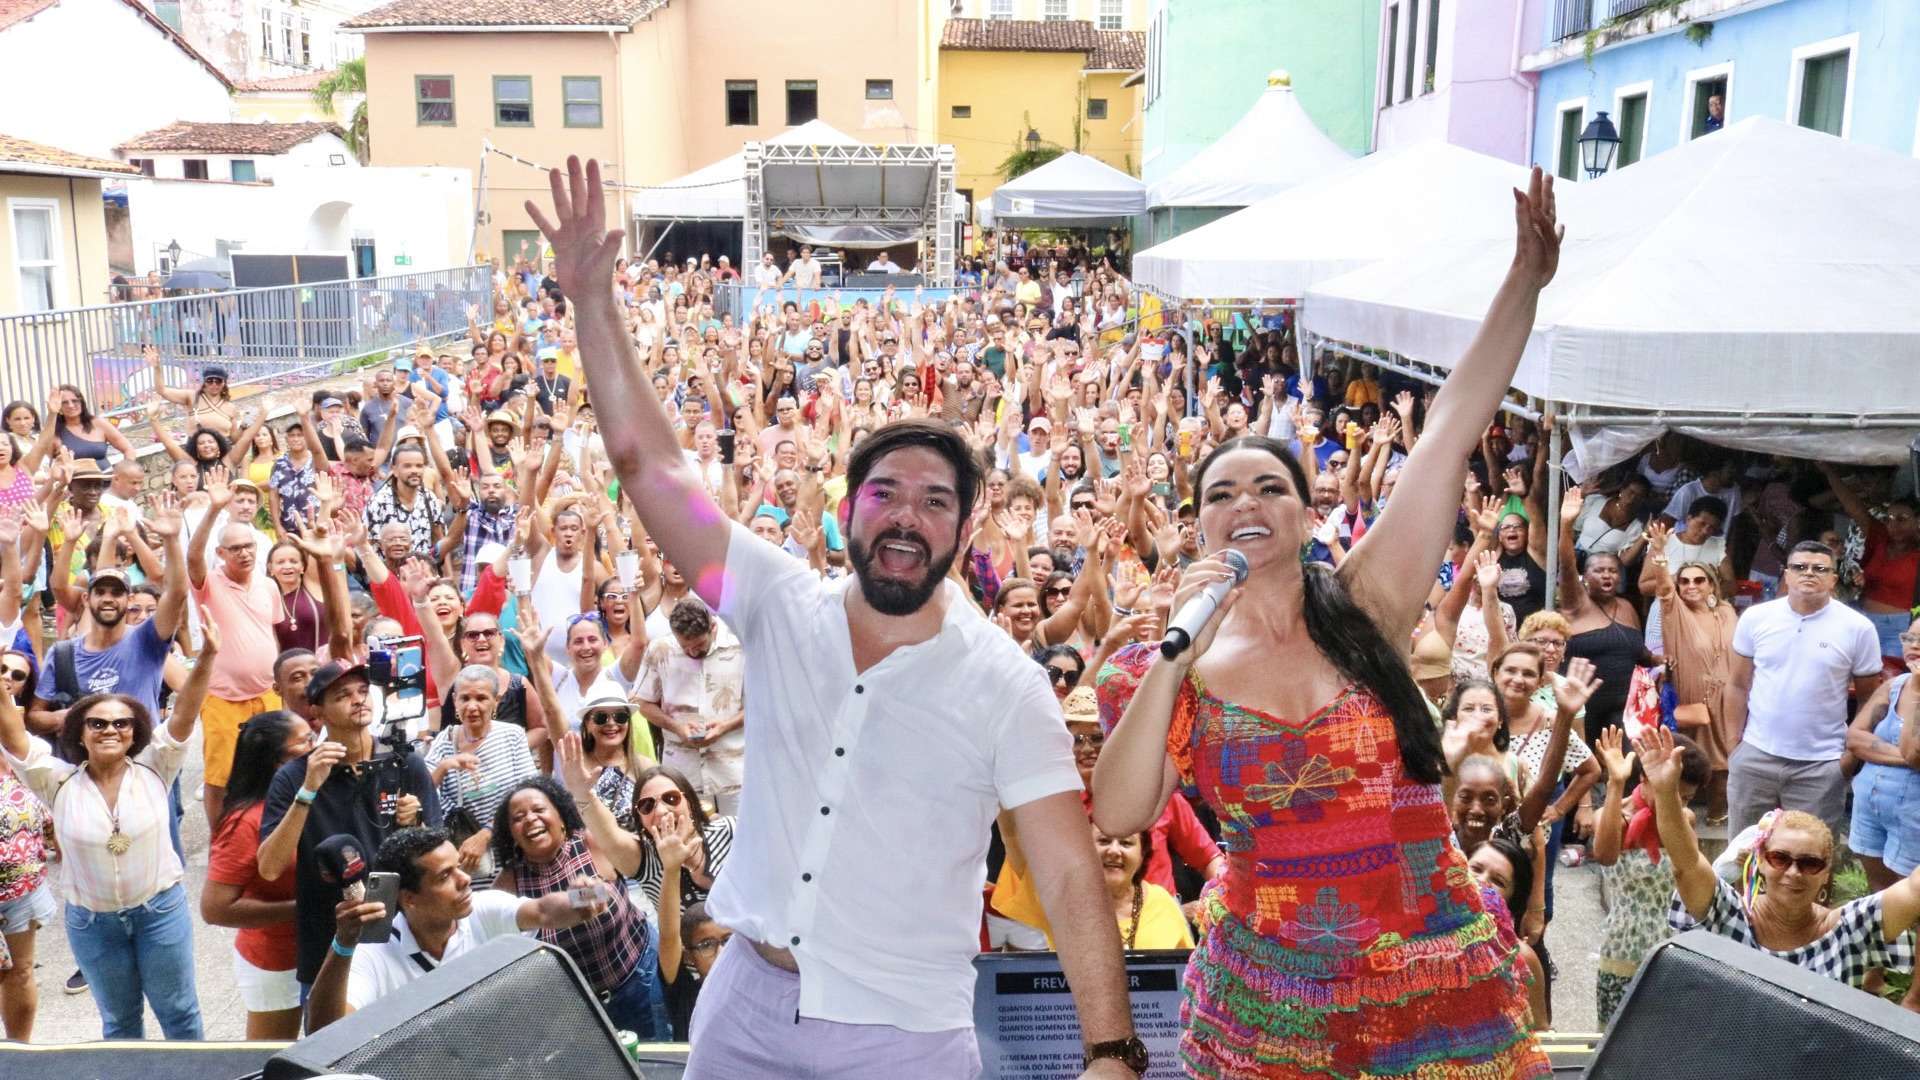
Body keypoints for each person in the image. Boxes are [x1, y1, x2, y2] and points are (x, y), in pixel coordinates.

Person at [531, 158, 1140, 1079]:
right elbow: (650, 468)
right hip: (745, 1011)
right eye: (884, 492)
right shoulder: (778, 602)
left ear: (967, 525)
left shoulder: (1006, 685)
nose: (906, 516)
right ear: (845, 508)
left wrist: (1112, 1052)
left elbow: (1064, 870)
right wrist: (593, 300)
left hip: (903, 1041)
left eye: (936, 501)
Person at [1093, 168, 1565, 1077]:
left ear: (1309, 515)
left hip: (1426, 970)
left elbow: (1451, 427)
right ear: (1200, 525)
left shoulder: (1365, 603)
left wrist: (1525, 281)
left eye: (1271, 486)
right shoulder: (1170, 665)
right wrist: (1172, 648)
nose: (1247, 502)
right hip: (1275, 1000)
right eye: (1222, 493)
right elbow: (1121, 809)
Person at [0, 641, 215, 1040]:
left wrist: (208, 657)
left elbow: (187, 710)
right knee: (119, 1024)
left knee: (181, 1015)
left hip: (160, 914)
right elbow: (14, 737)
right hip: (92, 923)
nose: (111, 730)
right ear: (80, 733)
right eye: (97, 723)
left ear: (135, 733)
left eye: (122, 723)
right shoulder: (56, 780)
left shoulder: (157, 767)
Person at [1648, 725, 1920, 999]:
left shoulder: (1848, 931)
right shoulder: (1731, 917)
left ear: (1826, 873)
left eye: (1809, 863)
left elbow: (1914, 889)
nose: (1794, 872)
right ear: (1761, 861)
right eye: (1780, 858)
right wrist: (1665, 793)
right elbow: (1687, 863)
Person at [304, 826, 610, 1030]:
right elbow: (325, 1031)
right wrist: (343, 945)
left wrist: (589, 895)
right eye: (445, 876)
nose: (465, 880)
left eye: (459, 868)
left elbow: (543, 911)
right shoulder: (374, 954)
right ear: (409, 899)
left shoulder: (482, 908)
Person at [256, 660, 439, 1001]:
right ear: (318, 712)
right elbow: (269, 867)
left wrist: (418, 824)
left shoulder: (405, 763)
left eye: (363, 691)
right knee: (331, 1048)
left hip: (403, 942)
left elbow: (439, 850)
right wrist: (308, 791)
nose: (358, 700)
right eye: (343, 695)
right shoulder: (295, 777)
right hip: (329, 945)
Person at [1725, 541, 1883, 839]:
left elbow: (1869, 699)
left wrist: (1848, 758)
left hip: (1821, 766)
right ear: (1786, 575)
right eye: (1800, 567)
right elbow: (1736, 684)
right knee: (1740, 857)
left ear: (1833, 579)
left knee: (1812, 860)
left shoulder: (1857, 628)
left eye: (1819, 568)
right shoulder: (1756, 618)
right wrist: (1735, 745)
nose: (1808, 573)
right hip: (1755, 756)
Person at [491, 776, 670, 1039]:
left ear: (562, 816)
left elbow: (604, 895)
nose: (530, 819)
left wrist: (581, 895)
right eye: (518, 817)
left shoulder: (590, 842)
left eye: (539, 810)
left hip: (638, 981)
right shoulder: (507, 883)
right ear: (511, 834)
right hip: (576, 1012)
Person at [1588, 726, 1710, 1026]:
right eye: (1671, 792)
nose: (1679, 803)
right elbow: (1605, 855)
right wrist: (1615, 781)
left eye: (1687, 798)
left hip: (1676, 950)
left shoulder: (1685, 820)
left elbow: (1695, 875)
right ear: (1645, 778)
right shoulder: (1616, 815)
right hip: (1623, 950)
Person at [202, 710, 310, 1038]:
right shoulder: (246, 822)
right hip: (276, 964)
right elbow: (215, 908)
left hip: (320, 950)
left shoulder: (308, 796)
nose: (317, 747)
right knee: (272, 1058)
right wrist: (304, 907)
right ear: (279, 761)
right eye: (306, 742)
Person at [189, 465, 286, 824]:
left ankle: (269, 828)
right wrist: (214, 509)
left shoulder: (268, 585)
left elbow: (271, 634)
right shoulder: (209, 583)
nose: (244, 553)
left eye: (249, 546)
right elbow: (192, 558)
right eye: (235, 549)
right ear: (221, 553)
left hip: (266, 693)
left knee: (275, 769)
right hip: (223, 697)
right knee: (219, 778)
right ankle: (220, 842)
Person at [1641, 521, 1741, 822]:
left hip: (1729, 699)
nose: (1691, 586)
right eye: (1685, 581)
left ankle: (1717, 816)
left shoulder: (1726, 612)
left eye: (1699, 580)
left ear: (1712, 584)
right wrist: (1660, 554)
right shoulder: (1675, 611)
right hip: (1692, 696)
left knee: (1725, 758)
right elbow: (1663, 589)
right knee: (1687, 755)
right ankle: (1676, 818)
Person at [424, 664, 540, 885]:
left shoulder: (512, 736)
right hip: (467, 865)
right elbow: (423, 794)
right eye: (465, 698)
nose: (472, 706)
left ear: (496, 701)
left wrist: (486, 834)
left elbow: (529, 793)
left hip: (513, 860)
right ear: (455, 700)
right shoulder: (444, 741)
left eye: (481, 698)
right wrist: (444, 766)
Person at [635, 597, 746, 815]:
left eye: (699, 646)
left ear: (712, 627)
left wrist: (724, 727)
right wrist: (676, 727)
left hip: (732, 771)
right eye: (686, 647)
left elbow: (759, 704)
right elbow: (642, 702)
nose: (693, 653)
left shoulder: (739, 646)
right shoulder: (661, 649)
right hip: (682, 769)